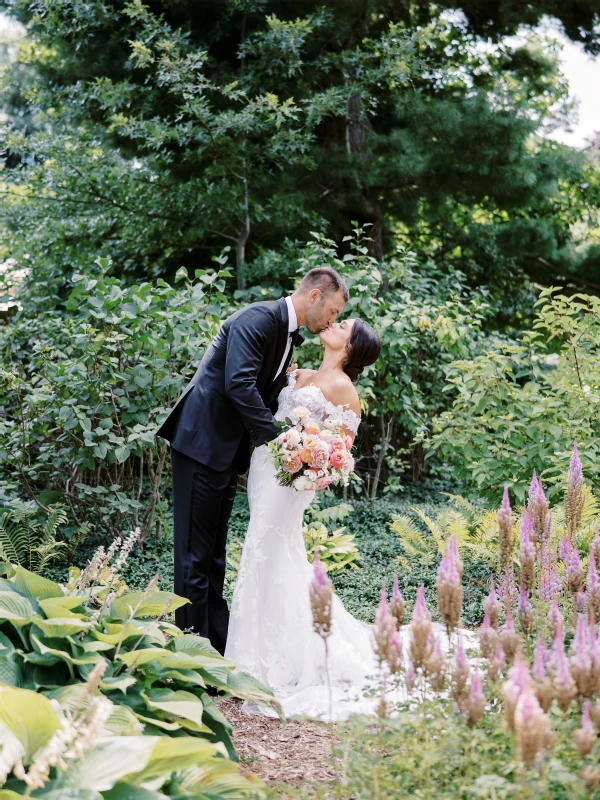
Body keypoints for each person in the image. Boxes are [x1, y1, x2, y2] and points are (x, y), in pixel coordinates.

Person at [155, 267, 349, 654]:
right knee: (194, 555)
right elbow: (238, 384)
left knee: (212, 556)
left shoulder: (286, 336)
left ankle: (215, 647)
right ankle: (192, 657)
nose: (333, 320)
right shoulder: (257, 319)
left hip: (225, 453)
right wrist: (282, 441)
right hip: (200, 445)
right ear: (314, 296)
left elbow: (260, 389)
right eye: (333, 310)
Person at [224, 317, 386, 720]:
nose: (336, 322)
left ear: (350, 346)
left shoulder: (346, 391)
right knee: (268, 550)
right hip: (265, 468)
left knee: (265, 549)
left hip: (292, 481)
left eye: (344, 324)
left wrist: (308, 467)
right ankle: (267, 648)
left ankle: (258, 660)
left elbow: (340, 455)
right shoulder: (301, 371)